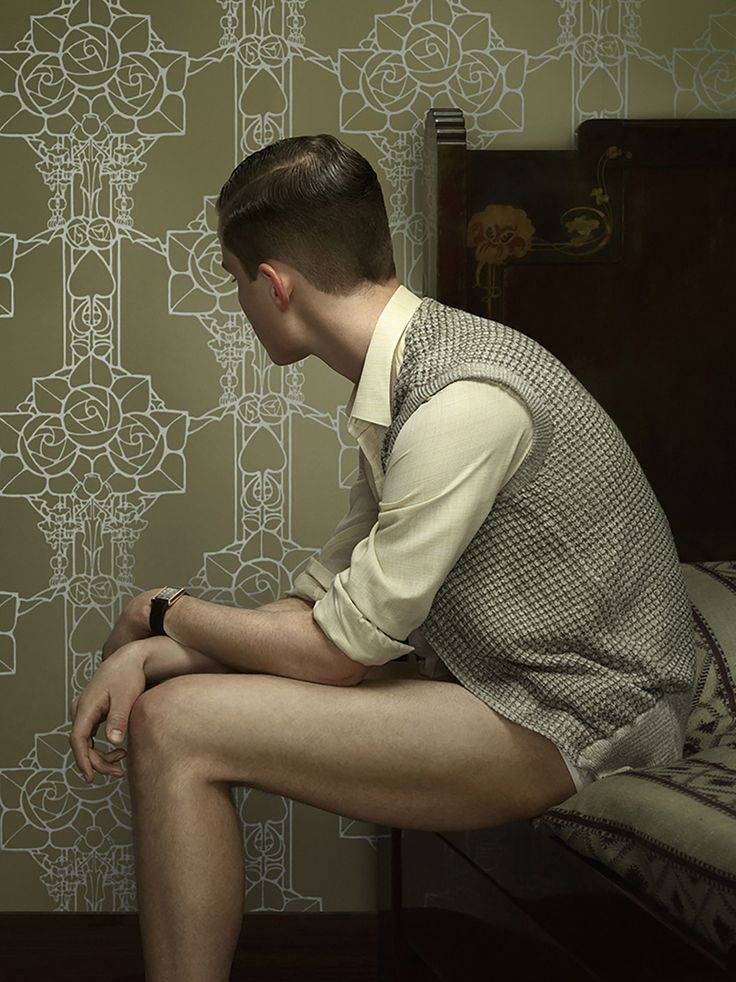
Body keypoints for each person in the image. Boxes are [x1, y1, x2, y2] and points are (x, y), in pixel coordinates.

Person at [68, 134, 696, 982]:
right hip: (502, 687)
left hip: (585, 718)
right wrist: (155, 650)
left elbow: (333, 654)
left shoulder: (461, 404)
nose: (238, 301)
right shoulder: (402, 385)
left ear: (274, 283)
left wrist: (158, 609)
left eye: (232, 278)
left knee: (177, 726)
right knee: (173, 702)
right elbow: (325, 608)